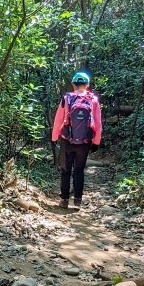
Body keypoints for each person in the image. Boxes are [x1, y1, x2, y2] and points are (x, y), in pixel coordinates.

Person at [51, 71, 102, 208]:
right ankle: (78, 200)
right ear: (87, 85)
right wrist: (96, 141)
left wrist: (55, 136)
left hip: (67, 139)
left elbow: (58, 119)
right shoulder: (93, 99)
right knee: (79, 170)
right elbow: (97, 122)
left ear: (73, 84)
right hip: (85, 141)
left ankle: (64, 200)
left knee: (65, 170)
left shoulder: (67, 98)